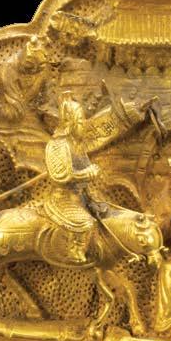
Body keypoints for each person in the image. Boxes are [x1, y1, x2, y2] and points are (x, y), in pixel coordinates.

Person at [43, 96, 102, 263]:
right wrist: (87, 174)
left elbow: (85, 166)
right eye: (80, 121)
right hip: (62, 198)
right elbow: (62, 176)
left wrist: (92, 171)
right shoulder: (58, 145)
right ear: (71, 122)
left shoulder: (76, 145)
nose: (83, 125)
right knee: (85, 222)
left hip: (80, 196)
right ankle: (73, 251)